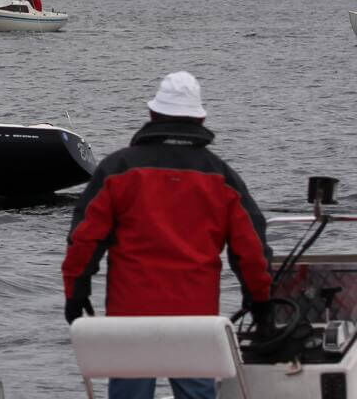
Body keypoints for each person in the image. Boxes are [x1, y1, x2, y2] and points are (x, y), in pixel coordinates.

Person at [61, 71, 271, 399]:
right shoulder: (221, 177)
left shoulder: (118, 169)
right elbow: (251, 248)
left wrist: (76, 293)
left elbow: (84, 239)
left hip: (130, 317)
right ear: (200, 118)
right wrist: (259, 300)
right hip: (195, 319)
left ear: (153, 115)